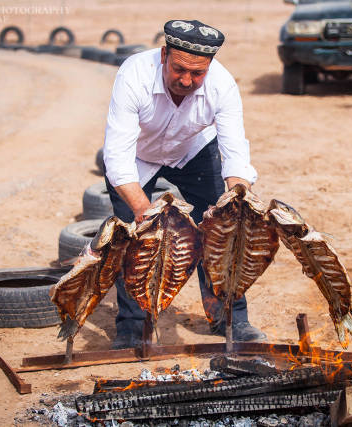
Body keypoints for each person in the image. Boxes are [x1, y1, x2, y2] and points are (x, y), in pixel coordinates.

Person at [102, 19, 267, 349]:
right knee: (134, 240)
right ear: (164, 55)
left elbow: (235, 153)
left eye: (198, 73)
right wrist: (142, 212)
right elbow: (117, 157)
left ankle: (230, 319)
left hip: (193, 149)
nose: (187, 80)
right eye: (179, 69)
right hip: (138, 156)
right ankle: (133, 327)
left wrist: (236, 199)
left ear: (209, 67)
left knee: (221, 231)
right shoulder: (133, 74)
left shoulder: (222, 85)